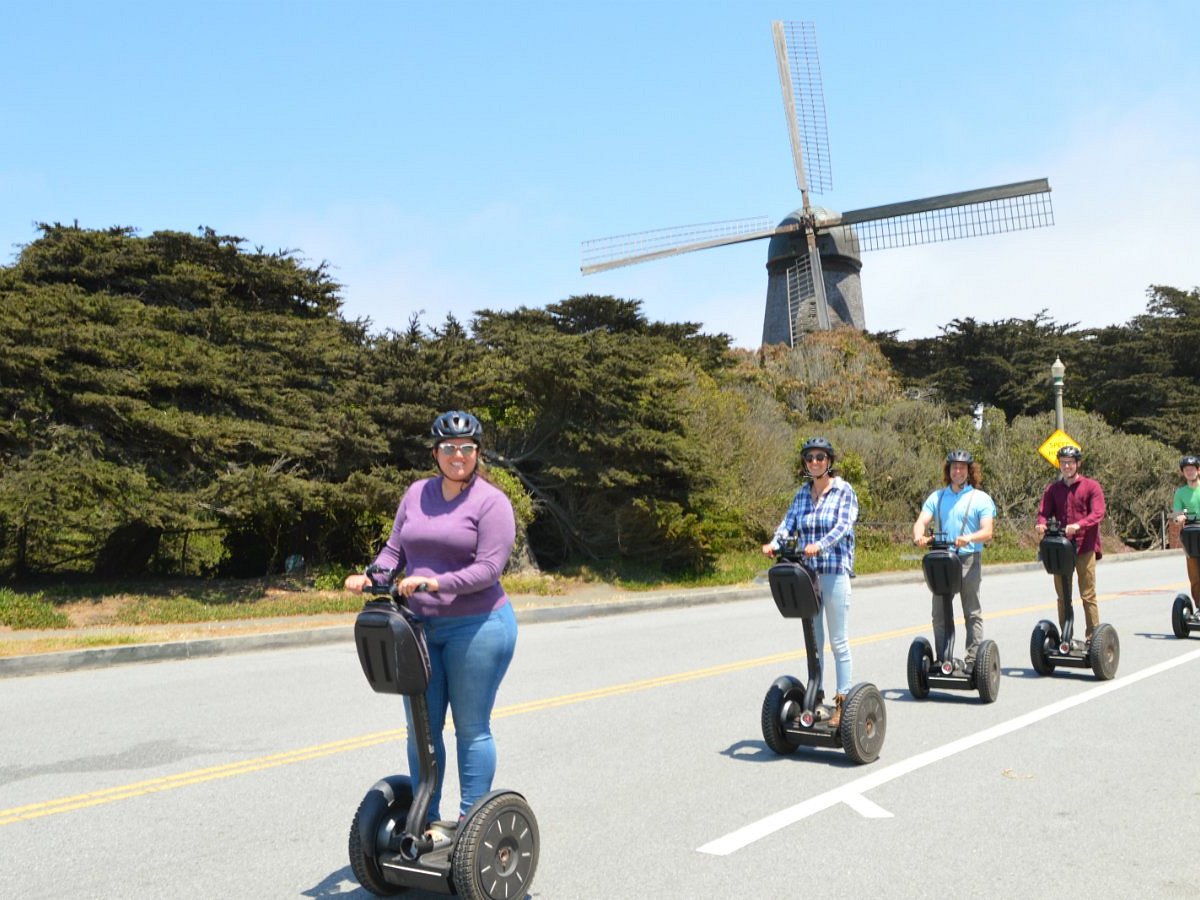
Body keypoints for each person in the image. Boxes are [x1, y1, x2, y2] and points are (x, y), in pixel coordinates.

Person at [344, 410, 517, 844]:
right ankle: (426, 820)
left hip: (478, 627)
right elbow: (393, 550)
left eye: (466, 448)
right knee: (422, 728)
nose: (457, 456)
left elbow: (489, 569)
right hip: (419, 629)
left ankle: (468, 826)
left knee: (471, 727)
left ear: (478, 453)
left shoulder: (491, 503)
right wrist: (373, 576)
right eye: (448, 448)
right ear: (435, 452)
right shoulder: (416, 494)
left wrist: (436, 581)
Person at [761, 437, 859, 728]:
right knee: (814, 643)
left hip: (834, 571)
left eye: (820, 457)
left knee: (838, 641)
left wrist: (820, 544)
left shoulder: (844, 490)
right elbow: (788, 523)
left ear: (829, 460)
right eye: (809, 458)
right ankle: (816, 699)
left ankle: (843, 703)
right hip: (807, 575)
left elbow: (844, 525)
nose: (814, 462)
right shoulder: (803, 494)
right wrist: (775, 543)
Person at [911, 450, 996, 674]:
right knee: (939, 613)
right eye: (953, 467)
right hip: (942, 560)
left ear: (969, 471)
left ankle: (973, 660)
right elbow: (921, 521)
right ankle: (942, 659)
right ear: (948, 471)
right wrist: (919, 535)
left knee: (971, 611)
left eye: (962, 468)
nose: (957, 471)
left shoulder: (980, 498)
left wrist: (969, 537)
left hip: (968, 558)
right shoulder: (937, 497)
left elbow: (987, 531)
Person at [1035, 444, 1106, 646]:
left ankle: (1093, 638)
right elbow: (1043, 512)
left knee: (1087, 594)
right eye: (1063, 463)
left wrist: (1079, 525)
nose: (1066, 466)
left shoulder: (1091, 486)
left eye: (1070, 463)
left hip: (1085, 547)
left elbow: (1098, 513)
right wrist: (1040, 524)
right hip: (1061, 548)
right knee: (1063, 596)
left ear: (1078, 464)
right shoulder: (1053, 489)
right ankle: (1066, 638)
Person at [1172, 454, 1200, 604]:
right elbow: (1177, 512)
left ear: (1198, 470)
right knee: (1195, 578)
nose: (1190, 472)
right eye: (1186, 470)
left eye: (1192, 469)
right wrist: (1179, 518)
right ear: (1183, 473)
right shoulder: (1180, 493)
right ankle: (1199, 607)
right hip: (1191, 535)